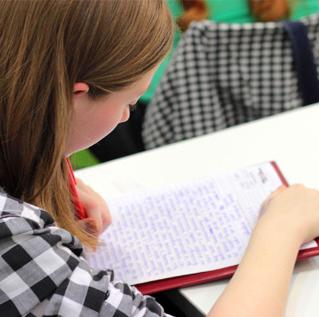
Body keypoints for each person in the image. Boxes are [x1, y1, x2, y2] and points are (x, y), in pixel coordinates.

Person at [1, 1, 319, 316]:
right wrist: (282, 229)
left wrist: (48, 168)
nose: (127, 116)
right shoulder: (16, 244)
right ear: (74, 95)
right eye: (129, 101)